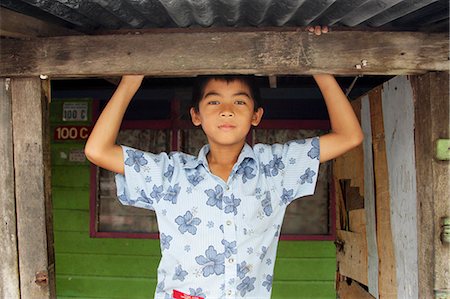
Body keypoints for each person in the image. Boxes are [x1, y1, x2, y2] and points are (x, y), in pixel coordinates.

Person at [85, 26, 363, 299]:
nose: (227, 112)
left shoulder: (275, 168)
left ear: (256, 115)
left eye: (240, 103)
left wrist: (320, 68)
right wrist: (131, 81)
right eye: (214, 103)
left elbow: (349, 136)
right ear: (196, 115)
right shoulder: (171, 174)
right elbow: (98, 150)